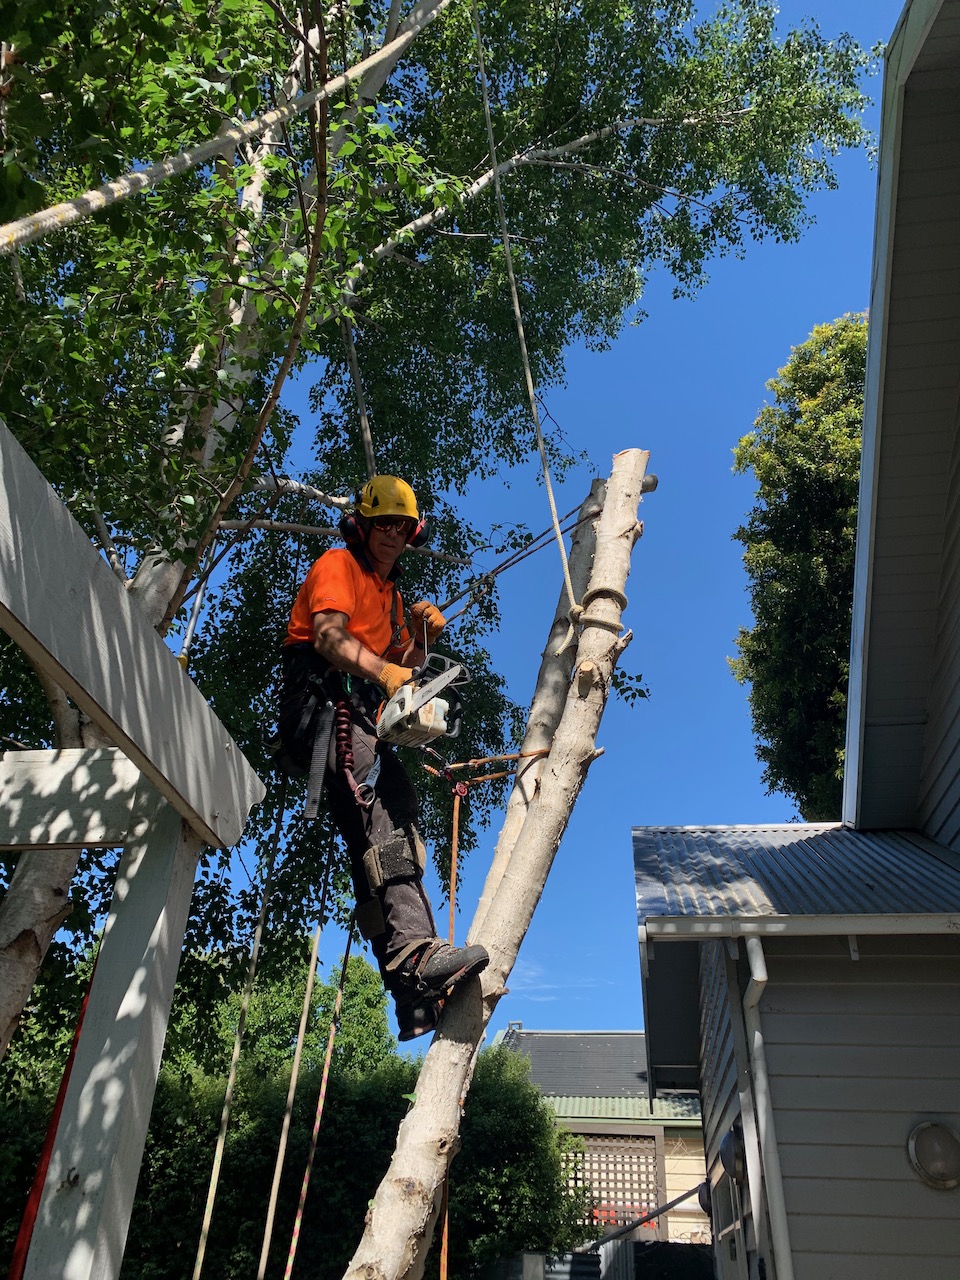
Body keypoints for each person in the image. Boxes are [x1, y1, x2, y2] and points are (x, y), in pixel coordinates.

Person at [280, 475, 488, 1040]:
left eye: (403, 526)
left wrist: (418, 638)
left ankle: (410, 996)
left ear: (412, 532)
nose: (393, 534)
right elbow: (328, 639)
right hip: (325, 704)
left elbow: (408, 667)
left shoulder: (393, 597)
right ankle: (416, 955)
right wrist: (386, 669)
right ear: (363, 526)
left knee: (397, 820)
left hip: (363, 716)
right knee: (382, 822)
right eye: (383, 524)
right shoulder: (337, 566)